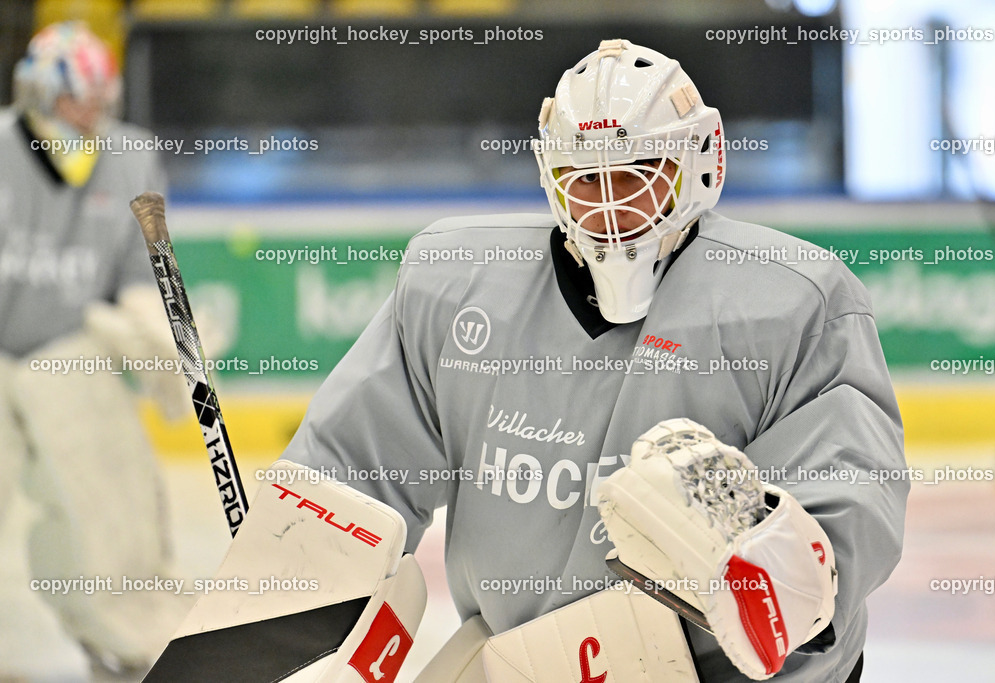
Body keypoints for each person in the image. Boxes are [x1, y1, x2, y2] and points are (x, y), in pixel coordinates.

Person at [281, 39, 908, 681]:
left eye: (638, 173)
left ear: (700, 162)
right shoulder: (456, 284)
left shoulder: (794, 301)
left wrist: (768, 564)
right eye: (586, 179)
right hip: (518, 660)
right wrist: (295, 587)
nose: (610, 203)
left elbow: (848, 494)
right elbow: (350, 471)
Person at [0, 21, 190, 679]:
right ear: (42, 94)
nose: (93, 114)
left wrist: (162, 341)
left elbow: (145, 276)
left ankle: (129, 628)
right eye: (80, 99)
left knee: (113, 497)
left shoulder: (133, 157)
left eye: (101, 99)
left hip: (65, 347)